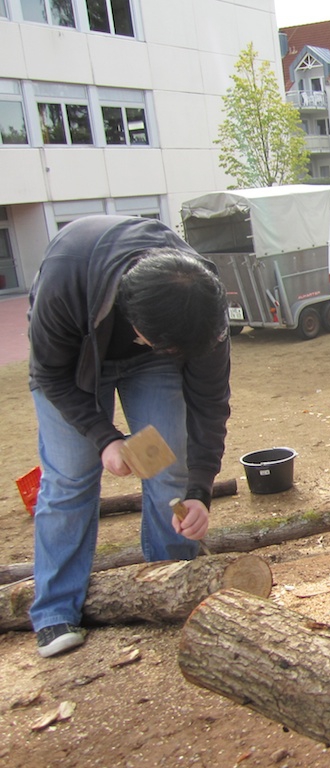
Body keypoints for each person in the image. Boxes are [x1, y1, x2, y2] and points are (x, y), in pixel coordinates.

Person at [27, 215, 232, 658]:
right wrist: (105, 438)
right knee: (70, 478)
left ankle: (170, 583)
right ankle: (54, 609)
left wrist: (200, 491)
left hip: (149, 357)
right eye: (168, 347)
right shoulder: (66, 280)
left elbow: (209, 404)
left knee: (167, 466)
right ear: (131, 317)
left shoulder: (200, 307)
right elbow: (50, 374)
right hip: (73, 359)